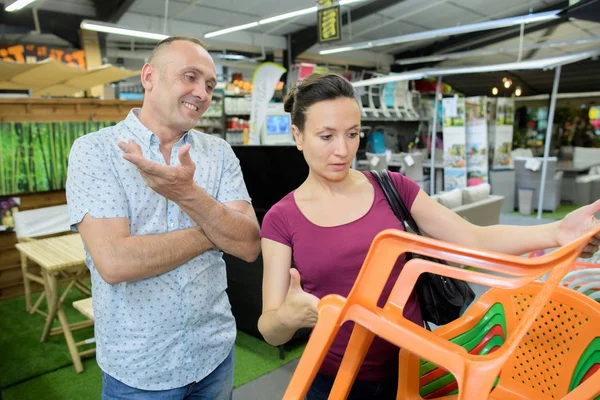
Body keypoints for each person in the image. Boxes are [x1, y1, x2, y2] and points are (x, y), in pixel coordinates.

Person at [257, 73, 600, 400]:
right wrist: (288, 318)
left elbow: (472, 238)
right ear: (298, 135)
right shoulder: (281, 219)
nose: (343, 151)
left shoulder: (392, 188)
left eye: (353, 133)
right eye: (326, 136)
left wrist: (556, 231)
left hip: (416, 370)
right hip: (334, 381)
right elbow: (269, 328)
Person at [66, 36, 261, 399]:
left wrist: (188, 194)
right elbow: (115, 262)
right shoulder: (95, 152)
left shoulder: (217, 152)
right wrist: (213, 229)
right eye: (190, 77)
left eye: (209, 84)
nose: (201, 92)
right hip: (139, 369)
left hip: (214, 353)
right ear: (149, 76)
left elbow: (248, 244)